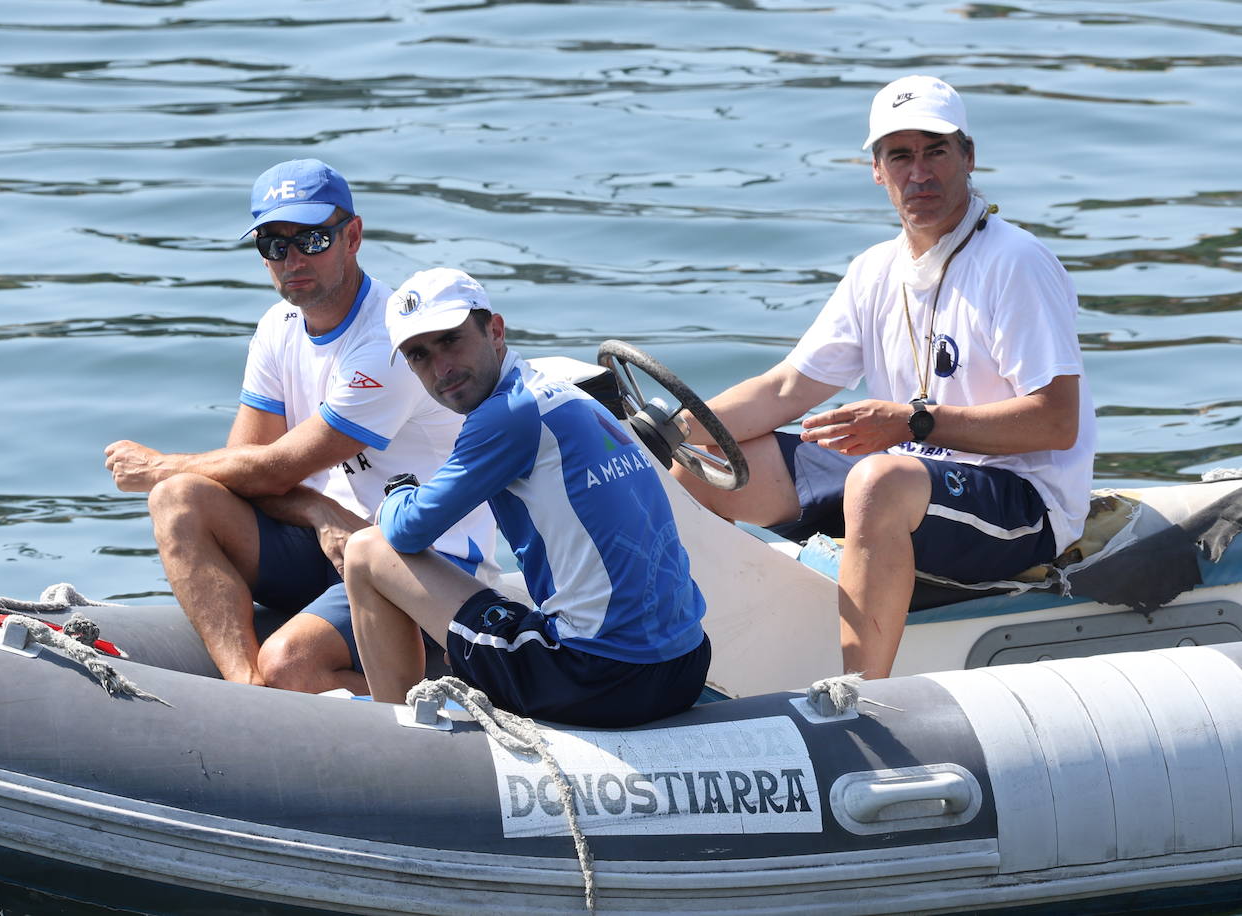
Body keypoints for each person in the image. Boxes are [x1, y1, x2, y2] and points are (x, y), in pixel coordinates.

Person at [673, 75, 1095, 679]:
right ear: (877, 169)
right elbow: (788, 389)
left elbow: (1056, 420)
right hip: (905, 471)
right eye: (900, 155)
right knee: (700, 463)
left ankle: (857, 700)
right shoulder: (873, 269)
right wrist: (672, 429)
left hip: (1024, 501)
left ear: (968, 157)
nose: (919, 173)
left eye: (935, 151)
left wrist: (912, 423)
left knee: (877, 480)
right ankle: (696, 662)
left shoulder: (1016, 263)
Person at [104, 160, 495, 693]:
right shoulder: (276, 328)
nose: (291, 259)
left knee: (292, 663)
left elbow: (271, 469)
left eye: (311, 239)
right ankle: (247, 693)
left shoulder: (390, 341)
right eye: (273, 245)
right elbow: (242, 474)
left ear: (352, 236)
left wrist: (154, 465)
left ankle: (453, 674)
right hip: (329, 540)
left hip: (426, 558)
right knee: (178, 498)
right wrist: (317, 510)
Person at [342, 267, 711, 727]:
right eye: (419, 355)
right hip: (688, 664)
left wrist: (398, 492)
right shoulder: (567, 394)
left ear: (494, 330)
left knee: (365, 551)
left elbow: (407, 530)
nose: (441, 369)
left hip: (599, 678)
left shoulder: (506, 415)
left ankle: (399, 742)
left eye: (451, 340)